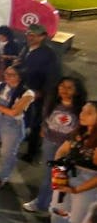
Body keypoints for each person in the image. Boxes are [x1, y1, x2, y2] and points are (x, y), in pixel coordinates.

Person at [43, 101, 97, 223]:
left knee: (78, 222)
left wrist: (76, 189)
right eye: (82, 110)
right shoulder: (78, 133)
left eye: (88, 112)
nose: (82, 114)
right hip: (67, 174)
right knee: (58, 211)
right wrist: (59, 171)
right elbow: (61, 150)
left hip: (87, 182)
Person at [24, 77, 87, 215]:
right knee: (48, 174)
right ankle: (43, 202)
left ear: (77, 91)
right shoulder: (51, 102)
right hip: (49, 142)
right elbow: (45, 118)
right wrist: (43, 129)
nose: (64, 90)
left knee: (59, 175)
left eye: (70, 87)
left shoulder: (80, 108)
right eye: (62, 86)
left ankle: (50, 204)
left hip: (66, 148)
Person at [16, 23, 61, 163]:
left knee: (36, 123)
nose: (29, 37)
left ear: (42, 37)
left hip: (38, 94)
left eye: (33, 35)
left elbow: (52, 77)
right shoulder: (26, 48)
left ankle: (32, 152)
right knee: (23, 117)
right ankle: (24, 138)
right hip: (24, 90)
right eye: (28, 34)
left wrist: (43, 92)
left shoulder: (49, 54)